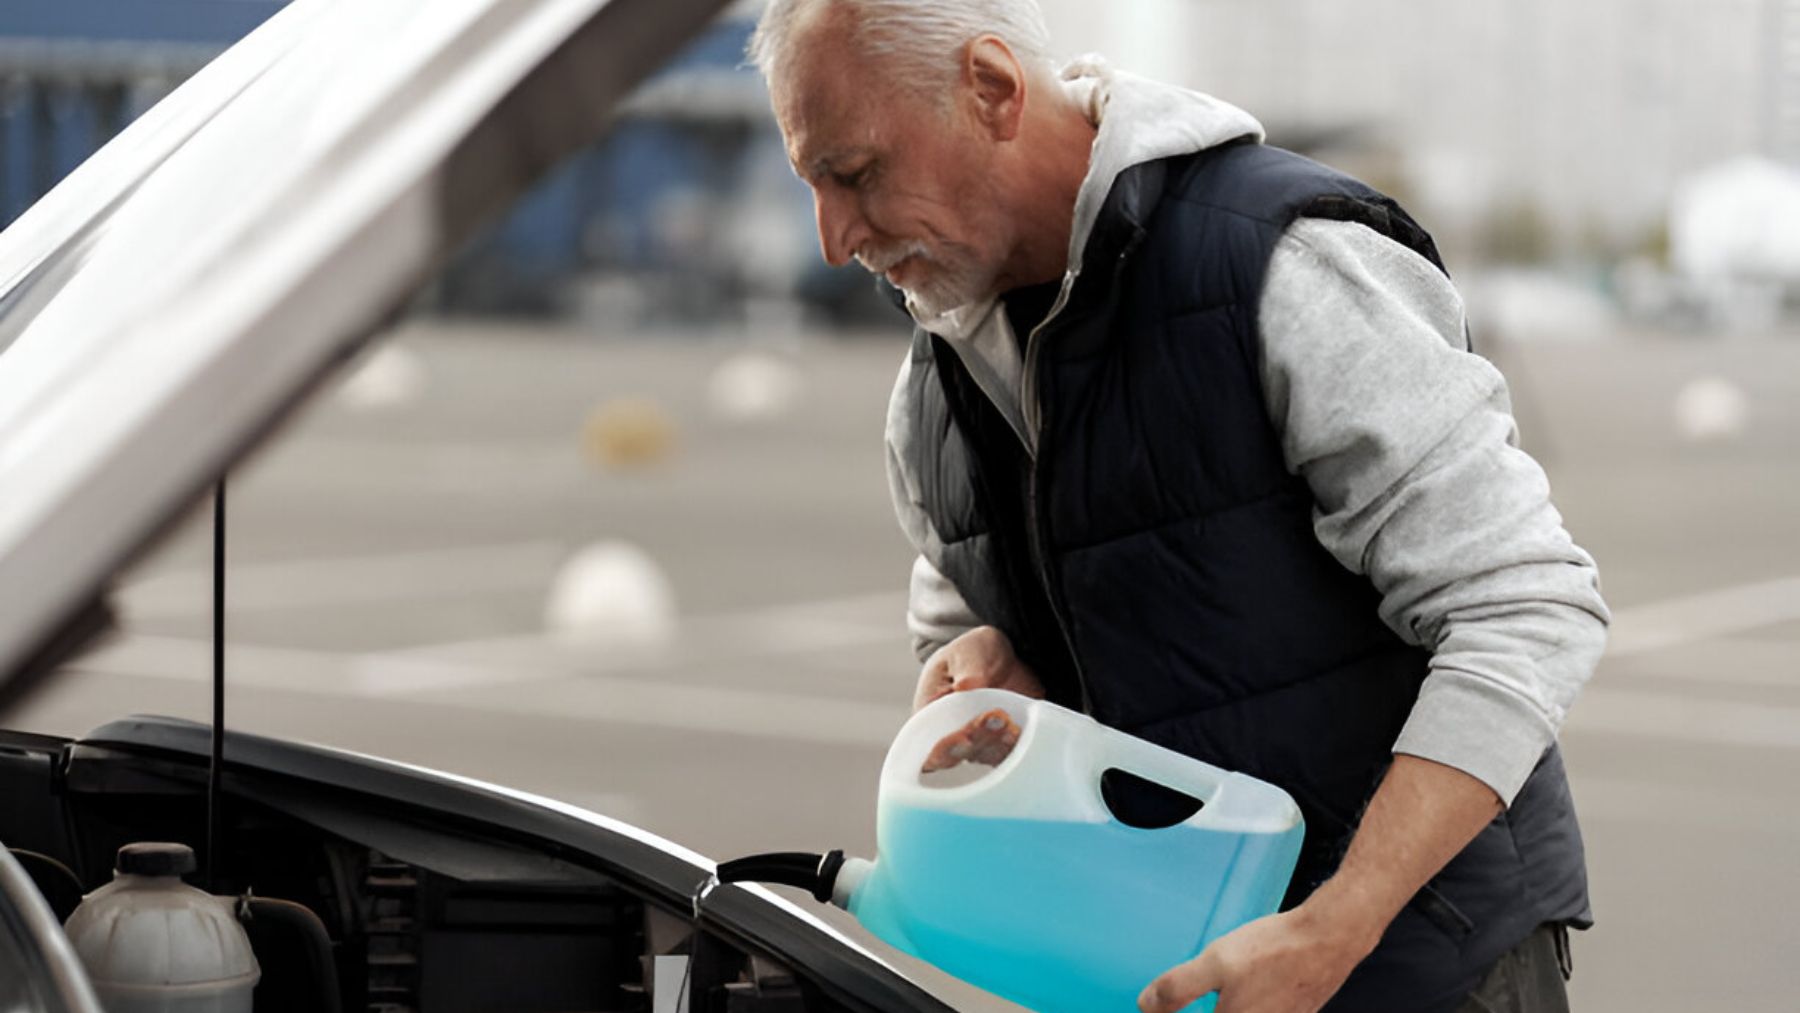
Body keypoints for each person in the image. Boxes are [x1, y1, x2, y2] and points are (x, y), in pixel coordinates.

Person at [747, 2, 1608, 1011]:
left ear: (991, 89)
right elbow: (963, 628)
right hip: (1157, 977)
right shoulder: (935, 379)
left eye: (854, 173)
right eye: (811, 186)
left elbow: (1525, 605)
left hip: (1419, 967)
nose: (833, 236)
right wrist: (989, 673)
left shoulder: (1281, 267)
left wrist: (1334, 926)